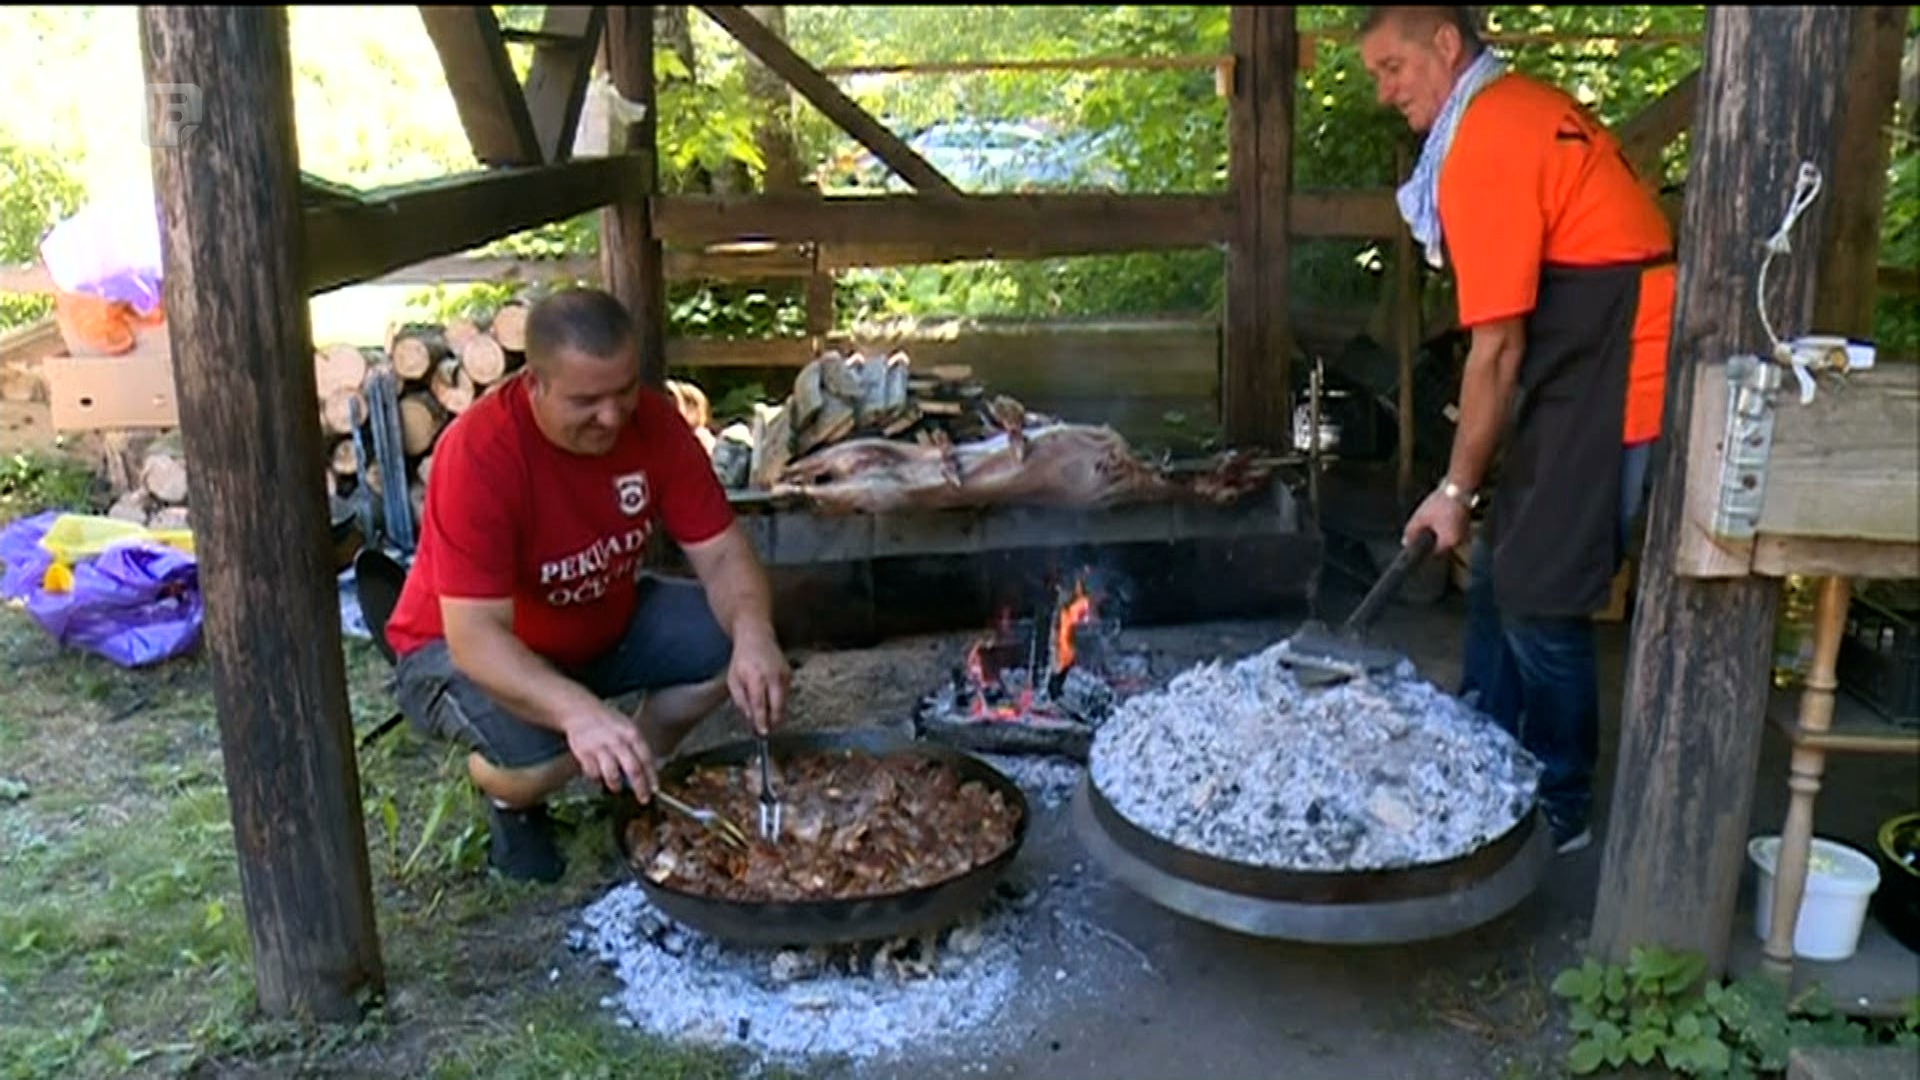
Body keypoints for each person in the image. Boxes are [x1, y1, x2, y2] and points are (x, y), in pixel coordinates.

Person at [1359, 6, 1675, 855]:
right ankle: (1481, 740)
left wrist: (1454, 491)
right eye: (1376, 74)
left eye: (1393, 67)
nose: (1385, 91)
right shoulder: (1513, 108)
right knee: (1501, 567)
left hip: (1618, 368)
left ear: (1447, 46)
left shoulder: (1489, 142)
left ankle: (1561, 799)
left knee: (1540, 593)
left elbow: (1495, 350)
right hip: (1580, 357)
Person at [382, 287, 792, 883]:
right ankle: (510, 798)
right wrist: (579, 712)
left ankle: (625, 772)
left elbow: (725, 554)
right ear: (534, 384)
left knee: (729, 643)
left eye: (623, 391)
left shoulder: (654, 423)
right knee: (544, 755)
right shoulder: (479, 453)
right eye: (586, 400)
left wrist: (756, 633)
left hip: (600, 626)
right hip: (453, 650)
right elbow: (474, 638)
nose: (612, 416)